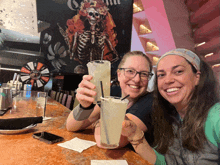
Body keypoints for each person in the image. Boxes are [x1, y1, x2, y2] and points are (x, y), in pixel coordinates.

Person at [121, 48, 220, 164]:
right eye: (161, 75)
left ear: (197, 77)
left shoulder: (216, 116)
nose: (168, 80)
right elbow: (165, 162)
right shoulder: (169, 117)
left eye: (178, 71)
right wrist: (135, 135)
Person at [66, 51, 155, 148]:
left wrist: (98, 120)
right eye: (130, 71)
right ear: (119, 75)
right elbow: (71, 126)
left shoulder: (151, 102)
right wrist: (84, 107)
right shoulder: (112, 93)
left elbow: (107, 141)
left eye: (144, 74)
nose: (137, 79)